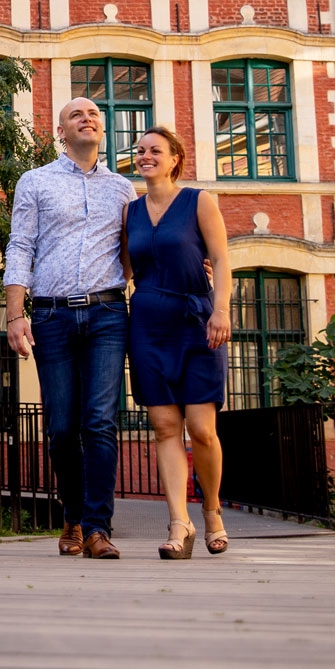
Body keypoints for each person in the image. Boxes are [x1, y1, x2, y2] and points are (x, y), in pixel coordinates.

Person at [4, 98, 134, 559]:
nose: (88, 118)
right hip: (52, 316)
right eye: (77, 115)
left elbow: (133, 254)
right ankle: (73, 517)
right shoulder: (35, 181)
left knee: (100, 422)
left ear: (102, 129)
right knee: (61, 427)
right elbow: (20, 246)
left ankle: (98, 528)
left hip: (107, 314)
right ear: (61, 131)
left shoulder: (122, 190)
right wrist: (15, 314)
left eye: (95, 114)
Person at [122, 127, 232, 558]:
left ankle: (212, 511)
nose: (146, 156)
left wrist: (220, 309)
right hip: (148, 323)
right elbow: (123, 270)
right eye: (141, 151)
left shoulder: (198, 201)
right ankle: (178, 524)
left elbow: (222, 259)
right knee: (165, 427)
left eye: (155, 151)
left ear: (174, 159)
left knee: (202, 431)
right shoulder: (129, 212)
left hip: (197, 321)